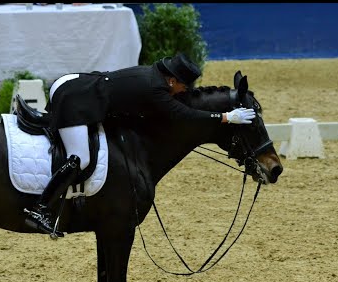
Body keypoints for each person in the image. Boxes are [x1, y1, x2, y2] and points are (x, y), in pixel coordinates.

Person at [23, 52, 256, 235]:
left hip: (75, 82)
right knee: (80, 158)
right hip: (75, 98)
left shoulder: (153, 75)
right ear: (173, 80)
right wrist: (225, 117)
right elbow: (184, 115)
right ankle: (39, 209)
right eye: (184, 86)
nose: (185, 91)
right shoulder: (156, 90)